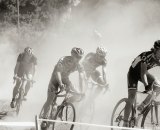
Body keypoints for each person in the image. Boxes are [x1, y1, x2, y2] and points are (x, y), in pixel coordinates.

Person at [40, 47, 85, 129]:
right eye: (77, 57)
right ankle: (44, 119)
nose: (78, 59)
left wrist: (82, 91)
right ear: (72, 55)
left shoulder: (79, 65)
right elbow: (58, 72)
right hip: (55, 79)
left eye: (80, 57)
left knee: (77, 94)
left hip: (65, 79)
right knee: (50, 99)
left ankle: (61, 107)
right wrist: (60, 84)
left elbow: (81, 77)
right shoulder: (63, 59)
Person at [123, 40, 160, 127]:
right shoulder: (146, 56)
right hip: (133, 74)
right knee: (131, 97)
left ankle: (142, 105)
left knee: (158, 86)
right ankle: (125, 122)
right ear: (155, 50)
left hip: (144, 73)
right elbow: (143, 73)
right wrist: (146, 86)